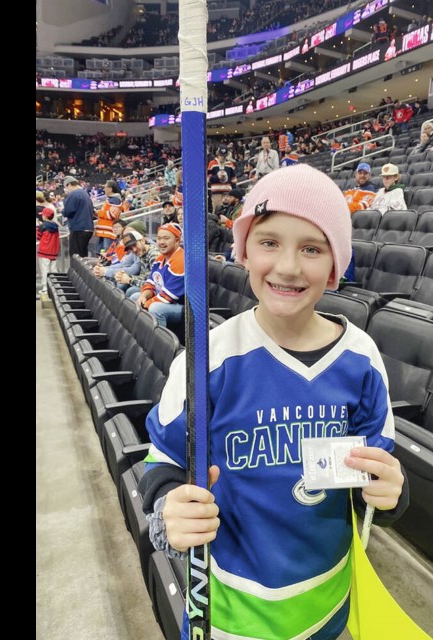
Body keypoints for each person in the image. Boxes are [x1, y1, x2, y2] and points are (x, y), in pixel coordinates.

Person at [138, 164, 407, 640]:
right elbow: (161, 462)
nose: (287, 266)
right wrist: (167, 512)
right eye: (269, 242)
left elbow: (379, 470)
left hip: (331, 608)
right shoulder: (207, 360)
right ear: (244, 252)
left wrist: (392, 495)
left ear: (335, 265)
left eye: (311, 248)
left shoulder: (361, 358)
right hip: (226, 615)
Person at [131, 222, 185, 329]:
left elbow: (168, 296)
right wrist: (143, 296)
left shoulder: (180, 260)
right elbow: (150, 283)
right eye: (159, 238)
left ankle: (163, 344)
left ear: (177, 241)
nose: (161, 242)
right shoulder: (160, 258)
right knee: (135, 297)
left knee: (155, 308)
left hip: (185, 307)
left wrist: (145, 304)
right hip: (167, 300)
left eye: (166, 238)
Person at [61, 176, 94, 257]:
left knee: (76, 257)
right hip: (87, 228)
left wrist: (61, 210)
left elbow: (67, 212)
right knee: (83, 256)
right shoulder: (84, 193)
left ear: (68, 185)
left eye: (66, 187)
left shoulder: (74, 194)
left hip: (78, 229)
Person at [36, 206, 59, 297]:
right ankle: (55, 287)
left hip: (44, 252)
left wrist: (37, 226)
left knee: (44, 270)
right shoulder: (55, 226)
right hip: (53, 251)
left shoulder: (42, 226)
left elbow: (38, 237)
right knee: (53, 270)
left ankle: (45, 288)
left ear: (45, 216)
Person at [94, 180, 122, 255]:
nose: (104, 189)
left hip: (108, 232)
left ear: (110, 189)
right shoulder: (111, 200)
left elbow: (112, 214)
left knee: (108, 254)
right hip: (104, 231)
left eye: (105, 187)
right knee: (102, 253)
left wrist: (98, 212)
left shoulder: (115, 200)